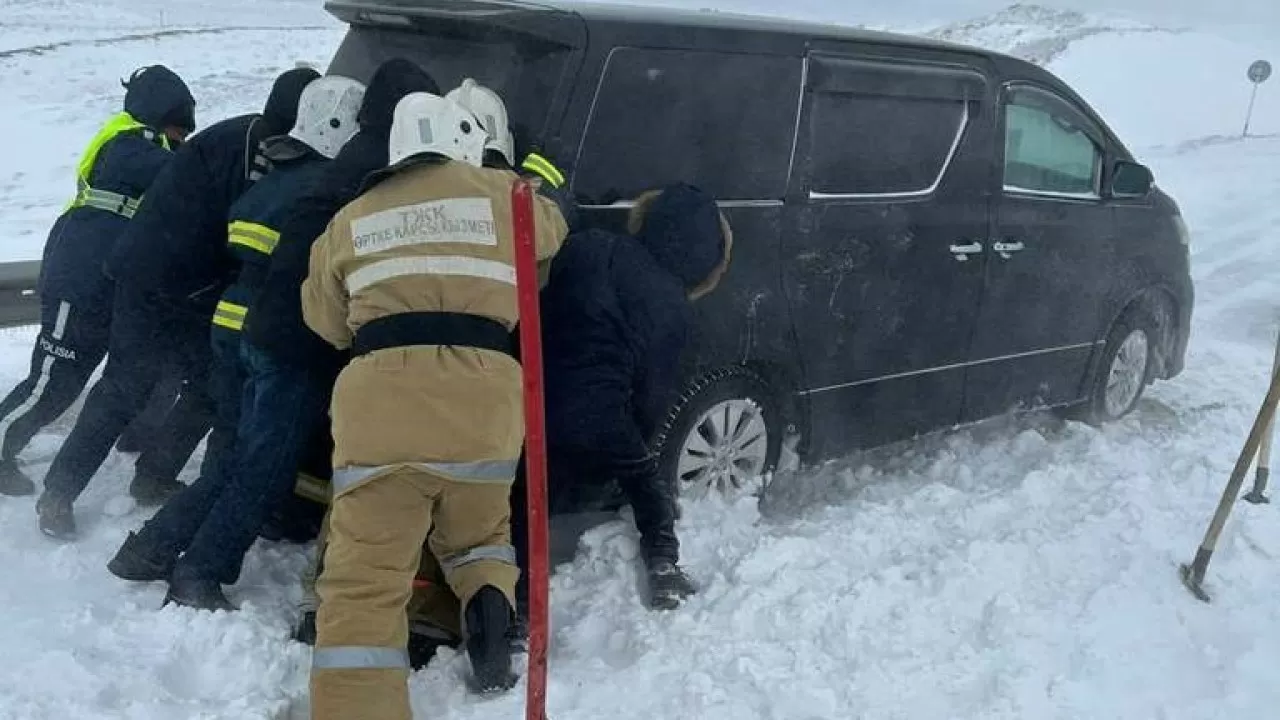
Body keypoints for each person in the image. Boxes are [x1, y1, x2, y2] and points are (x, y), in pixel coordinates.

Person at [302, 90, 568, 718]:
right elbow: (553, 234)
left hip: (382, 407)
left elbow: (323, 320)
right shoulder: (509, 198)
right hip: (485, 403)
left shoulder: (351, 216)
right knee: (480, 532)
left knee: (365, 579)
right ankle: (486, 604)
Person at [106, 75, 366, 610]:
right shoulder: (326, 190)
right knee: (262, 468)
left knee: (228, 457)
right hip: (281, 338)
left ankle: (150, 548)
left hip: (231, 326)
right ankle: (200, 571)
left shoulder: (273, 177)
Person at [34, 67, 320, 540]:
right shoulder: (258, 149)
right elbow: (241, 231)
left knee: (207, 386)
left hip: (188, 284)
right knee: (124, 387)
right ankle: (58, 494)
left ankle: (154, 475)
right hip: (152, 279)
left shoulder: (248, 135)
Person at [242, 56, 442, 639]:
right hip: (321, 332)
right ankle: (323, 597)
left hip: (291, 320)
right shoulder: (385, 167)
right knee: (354, 474)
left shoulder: (356, 152)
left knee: (319, 461)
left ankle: (311, 571)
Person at [514, 182, 732, 612]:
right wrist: (633, 451)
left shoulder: (589, 246)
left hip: (532, 398)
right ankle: (663, 564)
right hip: (602, 417)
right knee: (648, 485)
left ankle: (517, 607)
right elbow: (651, 398)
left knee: (524, 500)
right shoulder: (673, 308)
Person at [0, 65, 194, 498]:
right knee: (53, 382)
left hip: (104, 283)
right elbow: (182, 176)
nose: (184, 139)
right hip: (80, 281)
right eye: (181, 129)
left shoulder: (148, 146)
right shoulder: (128, 143)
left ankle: (136, 434)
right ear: (162, 114)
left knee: (105, 377)